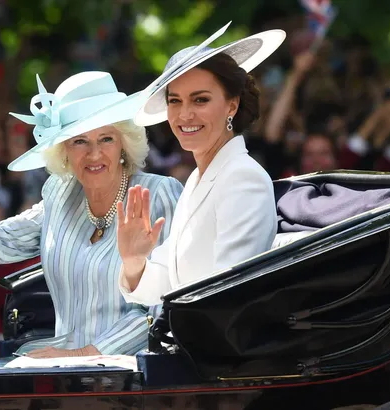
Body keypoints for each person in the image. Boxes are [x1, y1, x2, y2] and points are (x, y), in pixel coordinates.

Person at [0, 71, 183, 358]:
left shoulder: (158, 194)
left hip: (135, 371)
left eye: (106, 138)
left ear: (124, 142)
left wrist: (83, 355)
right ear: (63, 151)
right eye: (79, 141)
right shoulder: (60, 193)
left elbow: (164, 307)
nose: (94, 154)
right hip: (60, 366)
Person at [117, 23, 286, 305]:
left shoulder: (243, 177)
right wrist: (134, 261)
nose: (184, 115)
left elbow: (229, 290)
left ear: (231, 105)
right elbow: (169, 281)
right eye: (175, 101)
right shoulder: (198, 178)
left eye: (200, 100)